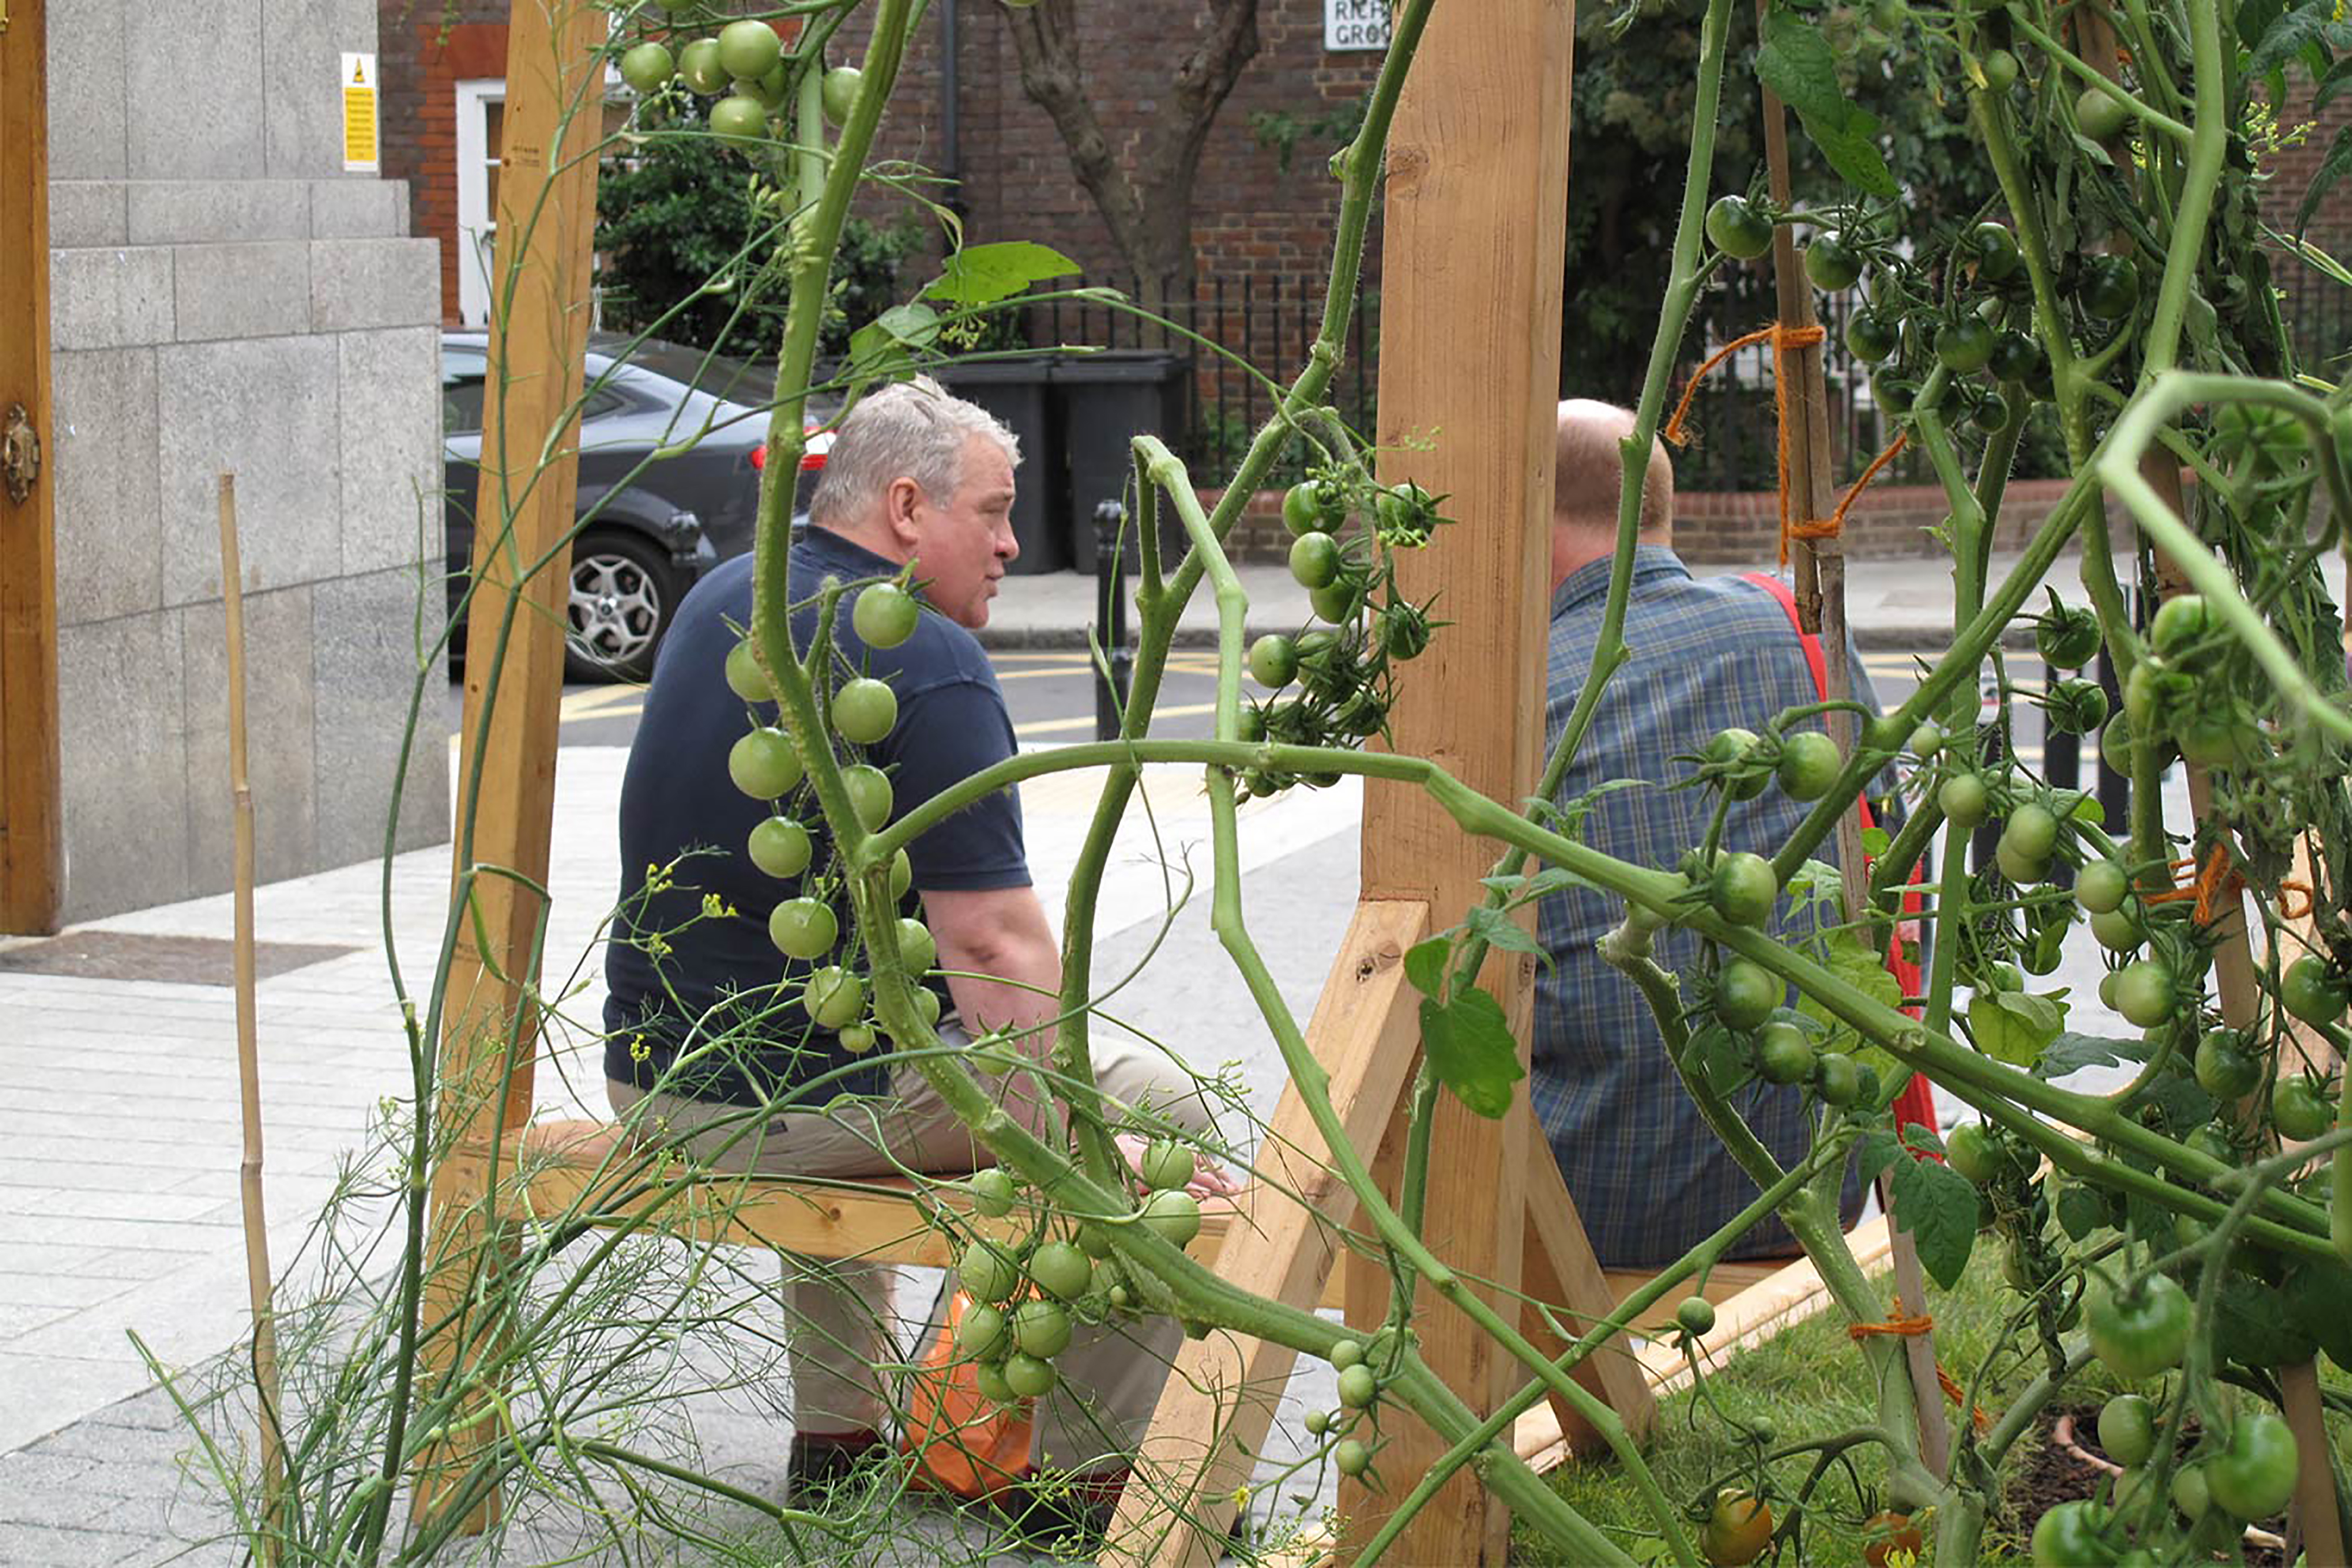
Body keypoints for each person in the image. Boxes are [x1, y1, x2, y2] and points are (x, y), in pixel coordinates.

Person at [601, 376, 1227, 1523]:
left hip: (651, 1080)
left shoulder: (721, 600)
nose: (1010, 543)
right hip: (795, 1100)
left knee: (857, 1024)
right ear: (902, 508)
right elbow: (993, 948)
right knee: (1163, 1111)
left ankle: (835, 1444)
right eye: (990, 511)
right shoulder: (923, 659)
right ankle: (1094, 1481)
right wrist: (1087, 1141)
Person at [1532, 399, 1879, 1271]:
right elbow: (1884, 883)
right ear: (1660, 507)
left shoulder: (1521, 694)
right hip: (1818, 1168)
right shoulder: (1805, 637)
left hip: (1590, 1210)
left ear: (1529, 508)